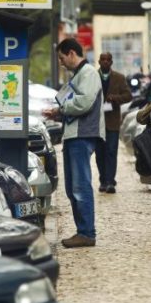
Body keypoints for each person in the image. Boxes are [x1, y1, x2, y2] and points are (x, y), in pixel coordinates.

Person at [42, 38, 105, 248]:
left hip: (81, 135)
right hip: (73, 135)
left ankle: (87, 232)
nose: (61, 62)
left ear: (71, 53)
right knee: (71, 187)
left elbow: (84, 102)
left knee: (80, 185)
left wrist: (61, 109)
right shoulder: (79, 75)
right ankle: (82, 231)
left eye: (61, 58)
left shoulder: (88, 74)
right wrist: (57, 115)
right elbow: (76, 106)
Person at [96, 52, 132, 194]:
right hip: (97, 122)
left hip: (112, 122)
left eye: (108, 60)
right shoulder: (92, 77)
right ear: (99, 61)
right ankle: (103, 180)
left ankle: (110, 182)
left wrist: (115, 98)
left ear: (111, 62)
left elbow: (128, 96)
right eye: (103, 59)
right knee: (100, 153)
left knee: (111, 151)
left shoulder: (119, 78)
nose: (105, 62)